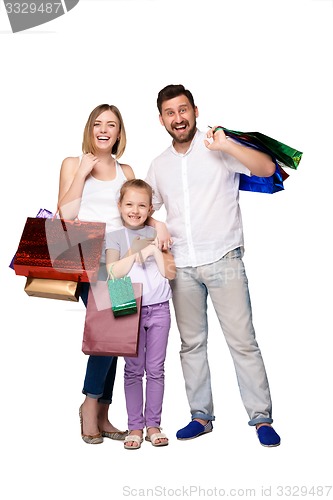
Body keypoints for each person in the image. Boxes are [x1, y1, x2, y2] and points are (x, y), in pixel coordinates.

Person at [145, 84, 281, 447]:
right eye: (170, 113)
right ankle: (200, 416)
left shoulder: (217, 147)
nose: (178, 118)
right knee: (191, 344)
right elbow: (144, 209)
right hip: (182, 266)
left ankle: (261, 418)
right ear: (161, 120)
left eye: (183, 109)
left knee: (243, 342)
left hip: (224, 258)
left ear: (195, 110)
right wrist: (156, 224)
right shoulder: (158, 166)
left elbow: (267, 168)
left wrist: (227, 145)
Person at [57, 104, 167, 445]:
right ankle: (89, 406)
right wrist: (81, 173)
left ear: (119, 133)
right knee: (107, 334)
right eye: (98, 124)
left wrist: (158, 223)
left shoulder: (126, 169)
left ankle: (103, 412)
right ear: (90, 129)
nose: (104, 130)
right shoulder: (73, 164)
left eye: (112, 125)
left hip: (120, 260)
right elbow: (64, 216)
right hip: (89, 260)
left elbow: (138, 212)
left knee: (118, 337)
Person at [105, 179, 176, 450]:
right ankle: (135, 426)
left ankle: (153, 425)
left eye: (142, 205)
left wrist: (155, 248)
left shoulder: (157, 232)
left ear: (149, 209)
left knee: (155, 369)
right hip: (126, 304)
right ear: (120, 206)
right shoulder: (114, 236)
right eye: (129, 204)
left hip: (159, 307)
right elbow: (113, 273)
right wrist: (139, 251)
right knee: (133, 370)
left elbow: (170, 273)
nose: (135, 210)